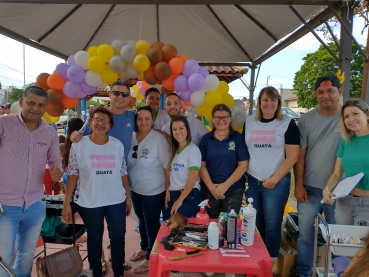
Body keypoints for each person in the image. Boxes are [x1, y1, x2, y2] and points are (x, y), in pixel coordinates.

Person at [71, 80, 134, 269]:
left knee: (117, 234)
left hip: (116, 183)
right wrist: (74, 136)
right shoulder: (98, 116)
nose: (120, 97)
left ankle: (117, 265)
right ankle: (98, 264)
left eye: (124, 94)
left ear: (128, 97)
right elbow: (78, 138)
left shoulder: (133, 117)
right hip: (94, 187)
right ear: (110, 94)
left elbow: (147, 129)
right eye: (116, 93)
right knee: (95, 234)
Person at [0, 86, 62, 277]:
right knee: (3, 257)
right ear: (21, 102)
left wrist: (56, 172)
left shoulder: (49, 132)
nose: (36, 108)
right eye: (31, 103)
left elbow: (54, 161)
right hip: (5, 204)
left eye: (41, 105)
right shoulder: (4, 124)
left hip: (35, 203)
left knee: (27, 254)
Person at [293, 75, 342, 277]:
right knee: (305, 235)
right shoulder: (306, 120)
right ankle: (302, 273)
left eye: (330, 91)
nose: (325, 95)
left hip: (339, 191)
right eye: (320, 92)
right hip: (310, 188)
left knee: (338, 237)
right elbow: (300, 156)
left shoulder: (349, 116)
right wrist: (298, 185)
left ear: (339, 92)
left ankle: (340, 272)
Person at [244, 86, 299, 260]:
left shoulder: (287, 123)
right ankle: (256, 263)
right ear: (259, 102)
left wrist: (275, 179)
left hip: (276, 182)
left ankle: (269, 265)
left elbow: (292, 157)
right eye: (265, 99)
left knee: (272, 226)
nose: (269, 103)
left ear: (278, 102)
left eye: (273, 100)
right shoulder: (249, 121)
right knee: (256, 225)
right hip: (252, 181)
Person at [127, 106, 169, 274]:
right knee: (141, 221)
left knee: (151, 223)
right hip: (134, 188)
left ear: (153, 121)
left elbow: (167, 166)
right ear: (135, 121)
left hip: (154, 190)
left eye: (147, 118)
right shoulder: (130, 137)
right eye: (140, 118)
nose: (143, 122)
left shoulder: (158, 139)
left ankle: (150, 256)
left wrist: (168, 189)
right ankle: (144, 247)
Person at [322, 98, 369, 224]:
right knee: (341, 242)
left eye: (355, 114)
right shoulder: (346, 141)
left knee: (362, 244)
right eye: (346, 116)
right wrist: (326, 190)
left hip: (367, 204)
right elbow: (337, 175)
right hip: (345, 202)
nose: (351, 119)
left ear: (367, 115)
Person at [199, 104, 249, 218]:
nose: (221, 120)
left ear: (230, 118)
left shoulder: (237, 138)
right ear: (212, 119)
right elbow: (201, 166)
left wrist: (224, 186)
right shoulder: (206, 139)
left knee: (230, 228)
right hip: (210, 191)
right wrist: (213, 189)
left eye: (225, 117)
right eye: (217, 117)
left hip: (233, 190)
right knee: (211, 226)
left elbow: (243, 165)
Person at [164, 115, 202, 220]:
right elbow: (171, 173)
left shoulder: (193, 150)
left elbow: (193, 177)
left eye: (181, 128)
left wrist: (180, 199)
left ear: (187, 130)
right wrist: (168, 189)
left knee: (176, 226)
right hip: (172, 194)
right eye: (174, 129)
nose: (178, 132)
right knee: (168, 226)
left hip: (188, 195)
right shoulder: (172, 151)